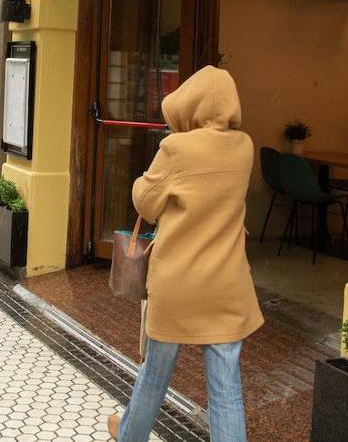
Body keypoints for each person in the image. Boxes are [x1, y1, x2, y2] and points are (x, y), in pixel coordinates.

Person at [109, 65, 262, 442]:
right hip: (227, 284)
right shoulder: (244, 147)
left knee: (155, 373)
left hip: (179, 284)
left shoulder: (177, 148)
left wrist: (145, 177)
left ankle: (130, 435)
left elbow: (146, 203)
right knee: (226, 390)